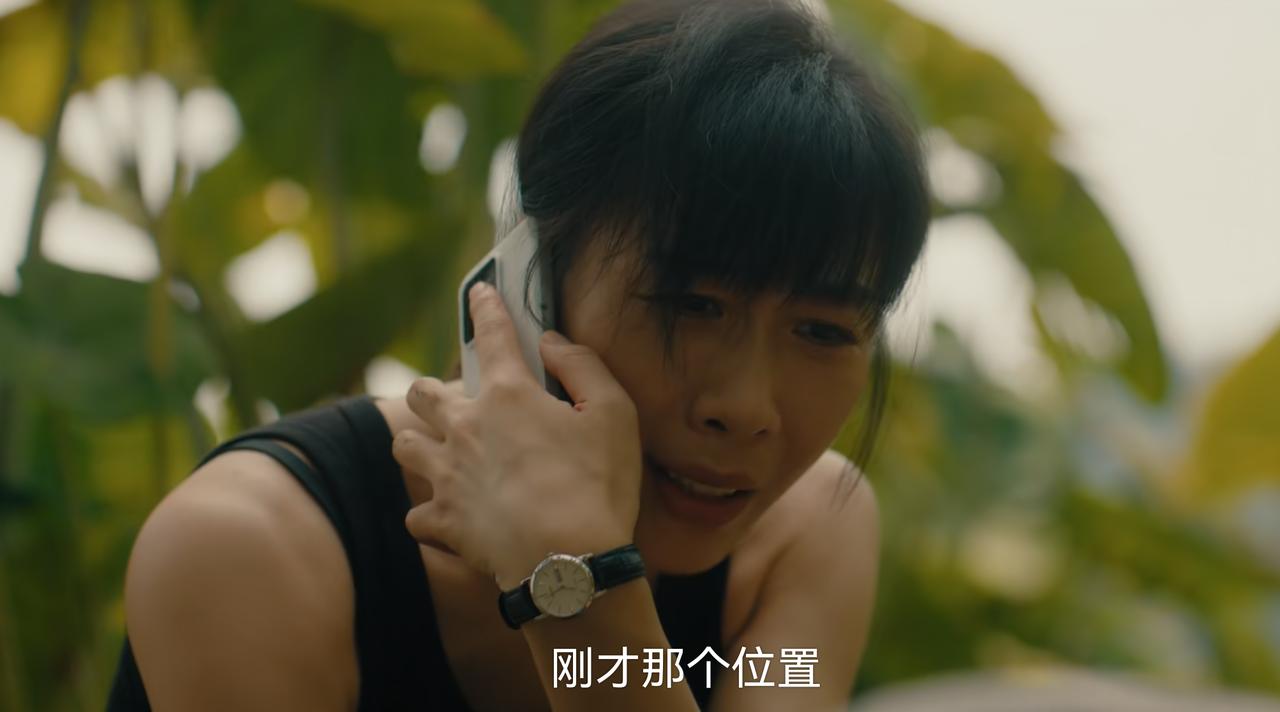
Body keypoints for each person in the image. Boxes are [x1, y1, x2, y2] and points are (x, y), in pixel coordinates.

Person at [106, 0, 929, 709]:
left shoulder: (802, 534)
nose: (744, 407)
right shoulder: (247, 552)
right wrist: (576, 577)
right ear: (529, 276)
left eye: (823, 331)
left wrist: (570, 575)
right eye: (690, 305)